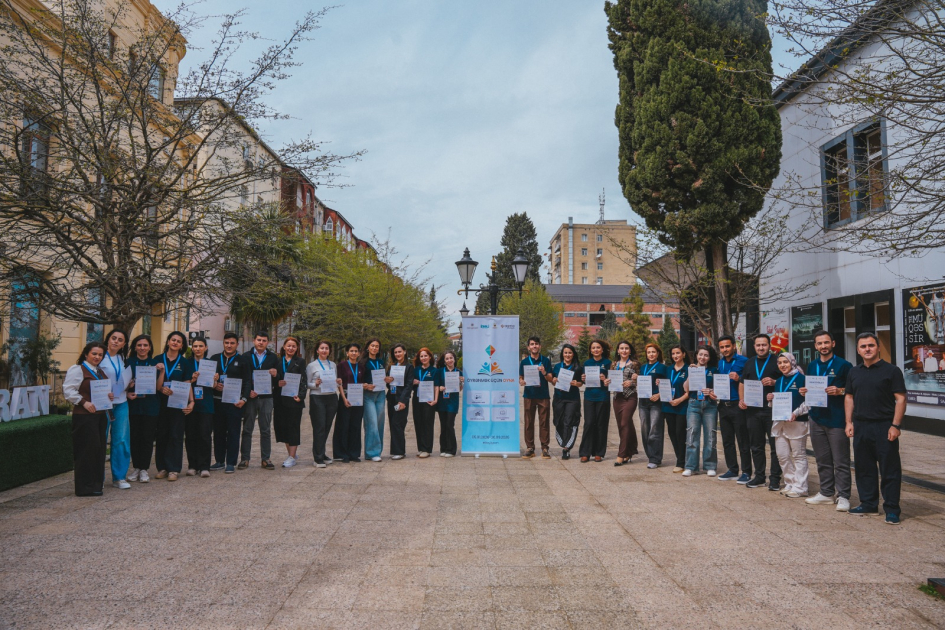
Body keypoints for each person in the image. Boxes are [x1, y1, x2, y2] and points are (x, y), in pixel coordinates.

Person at [845, 332, 908, 524]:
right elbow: (849, 397)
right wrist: (849, 422)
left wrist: (895, 425)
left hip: (884, 426)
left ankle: (892, 509)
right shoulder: (854, 372)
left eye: (871, 345)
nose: (867, 349)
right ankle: (869, 504)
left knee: (889, 469)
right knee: (864, 468)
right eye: (863, 346)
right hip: (861, 426)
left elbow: (901, 398)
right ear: (858, 350)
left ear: (878, 347)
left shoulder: (891, 371)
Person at [800, 331, 853, 511]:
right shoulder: (812, 365)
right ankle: (826, 492)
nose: (823, 346)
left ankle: (844, 496)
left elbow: (853, 391)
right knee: (822, 459)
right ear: (815, 346)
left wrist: (840, 391)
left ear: (833, 343)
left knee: (841, 461)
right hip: (816, 418)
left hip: (837, 419)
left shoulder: (844, 365)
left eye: (826, 343)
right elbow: (810, 387)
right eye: (820, 343)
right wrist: (804, 392)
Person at [62, 342, 113, 496]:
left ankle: (95, 485)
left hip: (99, 416)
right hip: (84, 417)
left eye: (100, 355)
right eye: (94, 354)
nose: (97, 357)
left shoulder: (99, 371)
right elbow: (68, 391)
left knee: (98, 450)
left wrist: (109, 395)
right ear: (86, 354)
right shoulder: (77, 370)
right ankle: (84, 487)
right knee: (85, 452)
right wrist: (84, 402)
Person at [739, 334, 783, 491]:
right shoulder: (750, 362)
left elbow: (788, 380)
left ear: (769, 346)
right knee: (756, 445)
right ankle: (759, 476)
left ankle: (775, 479)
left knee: (774, 446)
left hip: (772, 409)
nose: (761, 348)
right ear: (754, 346)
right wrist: (741, 399)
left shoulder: (777, 361)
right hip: (752, 410)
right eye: (758, 345)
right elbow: (742, 383)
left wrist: (774, 382)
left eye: (764, 345)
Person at [155, 331, 195, 481]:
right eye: (173, 340)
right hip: (160, 403)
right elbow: (154, 385)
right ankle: (162, 467)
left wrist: (191, 402)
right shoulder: (158, 360)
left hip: (178, 403)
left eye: (179, 341)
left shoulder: (184, 363)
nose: (175, 343)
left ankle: (174, 469)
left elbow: (187, 383)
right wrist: (161, 388)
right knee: (161, 435)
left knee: (176, 435)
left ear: (182, 346)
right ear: (168, 342)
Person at [768, 353, 809, 498]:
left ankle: (801, 487)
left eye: (785, 362)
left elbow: (809, 401)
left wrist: (796, 413)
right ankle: (790, 482)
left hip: (797, 422)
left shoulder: (802, 379)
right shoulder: (779, 381)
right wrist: (771, 399)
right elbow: (779, 402)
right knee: (782, 455)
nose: (782, 365)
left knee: (798, 455)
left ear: (792, 362)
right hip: (781, 423)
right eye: (779, 363)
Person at [126, 335, 164, 483]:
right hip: (134, 405)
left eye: (145, 345)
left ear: (150, 347)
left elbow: (158, 387)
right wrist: (129, 387)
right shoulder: (128, 363)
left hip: (151, 406)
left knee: (147, 438)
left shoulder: (155, 363)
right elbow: (123, 384)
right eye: (139, 345)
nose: (142, 348)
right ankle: (136, 468)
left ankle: (144, 469)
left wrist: (161, 372)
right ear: (135, 347)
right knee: (135, 438)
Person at [238, 331, 278, 470]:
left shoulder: (273, 357)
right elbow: (242, 377)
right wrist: (247, 392)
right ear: (254, 341)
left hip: (266, 397)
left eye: (264, 340)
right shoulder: (245, 357)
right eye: (259, 339)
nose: (261, 342)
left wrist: (276, 374)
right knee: (247, 428)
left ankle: (266, 458)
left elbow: (279, 378)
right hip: (250, 397)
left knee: (265, 429)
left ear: (268, 342)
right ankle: (244, 459)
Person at [98, 329, 132, 489]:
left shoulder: (123, 358)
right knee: (100, 440)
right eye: (113, 338)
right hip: (103, 404)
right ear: (108, 339)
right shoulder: (99, 357)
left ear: (124, 344)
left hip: (121, 402)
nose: (116, 341)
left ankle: (119, 477)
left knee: (121, 440)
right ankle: (98, 477)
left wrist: (128, 386)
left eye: (120, 339)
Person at [716, 335, 751, 482]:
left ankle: (747, 472)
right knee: (727, 440)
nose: (725, 349)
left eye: (727, 346)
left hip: (738, 405)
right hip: (723, 405)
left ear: (734, 346)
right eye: (722, 347)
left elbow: (751, 379)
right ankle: (732, 469)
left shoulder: (744, 361)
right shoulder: (720, 363)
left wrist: (739, 378)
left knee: (743, 440)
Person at [209, 332, 246, 474]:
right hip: (217, 401)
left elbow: (247, 381)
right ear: (223, 343)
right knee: (218, 432)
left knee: (233, 433)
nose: (229, 345)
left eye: (232, 343)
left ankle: (231, 462)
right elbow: (208, 379)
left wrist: (243, 399)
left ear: (237, 344)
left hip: (234, 403)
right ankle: (219, 461)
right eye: (226, 343)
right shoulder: (214, 359)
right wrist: (215, 383)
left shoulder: (242, 361)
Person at [683, 346, 719, 476]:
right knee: (692, 435)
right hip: (693, 404)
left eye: (706, 355)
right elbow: (686, 389)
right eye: (700, 355)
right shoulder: (691, 369)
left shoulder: (714, 370)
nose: (702, 357)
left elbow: (719, 389)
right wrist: (690, 374)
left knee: (710, 435)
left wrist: (710, 391)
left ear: (709, 358)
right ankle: (691, 466)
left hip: (710, 405)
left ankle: (710, 465)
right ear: (696, 355)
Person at [518, 336, 553, 459]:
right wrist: (521, 381)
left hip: (543, 395)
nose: (534, 346)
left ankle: (545, 447)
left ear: (540, 346)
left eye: (536, 344)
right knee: (528, 422)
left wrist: (544, 372)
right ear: (528, 347)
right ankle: (530, 448)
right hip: (529, 395)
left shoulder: (546, 361)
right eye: (532, 344)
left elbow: (550, 378)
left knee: (544, 422)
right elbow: (521, 377)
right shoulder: (524, 362)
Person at [306, 340, 340, 468]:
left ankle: (322, 453)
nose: (324, 350)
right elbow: (306, 384)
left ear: (329, 351)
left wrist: (338, 382)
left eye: (327, 348)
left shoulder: (333, 365)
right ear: (317, 350)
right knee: (319, 427)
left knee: (326, 427)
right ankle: (317, 458)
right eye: (322, 348)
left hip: (331, 397)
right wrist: (315, 384)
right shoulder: (311, 366)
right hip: (317, 398)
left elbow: (334, 383)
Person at [274, 336, 306, 468]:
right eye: (289, 346)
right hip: (280, 399)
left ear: (297, 348)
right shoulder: (277, 361)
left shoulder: (300, 361)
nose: (291, 348)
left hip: (294, 399)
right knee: (283, 427)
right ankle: (291, 453)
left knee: (293, 427)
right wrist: (277, 382)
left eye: (294, 346)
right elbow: (274, 379)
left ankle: (292, 457)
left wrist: (301, 396)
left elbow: (304, 380)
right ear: (284, 347)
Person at [186, 336, 215, 477]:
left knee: (205, 435)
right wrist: (192, 379)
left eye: (200, 346)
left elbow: (215, 387)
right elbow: (183, 382)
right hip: (190, 403)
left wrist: (215, 380)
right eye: (195, 346)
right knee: (191, 435)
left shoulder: (211, 364)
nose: (197, 349)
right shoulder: (187, 363)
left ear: (206, 348)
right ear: (192, 348)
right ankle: (192, 465)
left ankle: (204, 466)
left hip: (206, 404)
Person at [579, 340, 612, 463]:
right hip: (589, 396)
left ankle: (599, 452)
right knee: (589, 423)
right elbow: (585, 381)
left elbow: (613, 381)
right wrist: (583, 379)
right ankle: (585, 452)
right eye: (593, 348)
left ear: (602, 349)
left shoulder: (608, 363)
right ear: (590, 350)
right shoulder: (587, 363)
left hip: (603, 396)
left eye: (598, 347)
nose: (596, 350)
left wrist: (606, 379)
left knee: (601, 424)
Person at [637, 343, 669, 469]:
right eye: (649, 352)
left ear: (658, 353)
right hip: (643, 401)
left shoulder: (662, 367)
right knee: (645, 429)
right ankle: (650, 454)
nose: (651, 354)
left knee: (655, 430)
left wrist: (660, 394)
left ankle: (655, 458)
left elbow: (668, 384)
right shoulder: (643, 367)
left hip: (656, 401)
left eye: (653, 352)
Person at [551, 344, 583, 460]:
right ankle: (562, 442)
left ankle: (567, 448)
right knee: (558, 421)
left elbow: (581, 383)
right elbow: (553, 381)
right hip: (559, 398)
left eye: (570, 352)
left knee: (569, 422)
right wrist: (553, 380)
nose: (567, 355)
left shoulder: (578, 367)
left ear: (573, 354)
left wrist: (576, 383)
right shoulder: (557, 367)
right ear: (562, 354)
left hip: (572, 399)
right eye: (565, 353)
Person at [336, 343, 367, 462]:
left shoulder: (361, 367)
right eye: (351, 351)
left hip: (358, 398)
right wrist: (344, 399)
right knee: (344, 425)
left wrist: (365, 385)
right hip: (346, 397)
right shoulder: (342, 365)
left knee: (355, 425)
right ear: (347, 353)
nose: (354, 353)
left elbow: (362, 382)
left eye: (356, 351)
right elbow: (339, 384)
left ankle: (354, 453)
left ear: (359, 353)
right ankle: (343, 453)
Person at [612, 341, 640, 467]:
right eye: (621, 348)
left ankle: (621, 454)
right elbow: (611, 379)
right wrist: (607, 381)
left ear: (630, 350)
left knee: (624, 423)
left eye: (626, 348)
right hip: (617, 397)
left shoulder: (635, 364)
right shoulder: (614, 364)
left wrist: (633, 382)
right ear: (618, 351)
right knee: (623, 425)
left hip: (630, 397)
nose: (624, 350)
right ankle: (631, 450)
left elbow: (641, 380)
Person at [663, 345, 690, 473]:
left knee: (680, 433)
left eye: (678, 353)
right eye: (673, 354)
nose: (675, 356)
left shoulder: (689, 369)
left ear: (684, 354)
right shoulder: (668, 369)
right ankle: (679, 458)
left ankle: (681, 462)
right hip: (669, 406)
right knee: (672, 433)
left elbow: (692, 390)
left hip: (682, 406)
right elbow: (665, 385)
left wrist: (679, 400)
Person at [386, 344, 414, 460]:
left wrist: (403, 401)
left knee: (398, 424)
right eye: (395, 352)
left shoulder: (409, 367)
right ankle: (395, 450)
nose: (397, 354)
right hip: (391, 398)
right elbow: (389, 383)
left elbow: (409, 385)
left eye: (399, 352)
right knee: (393, 424)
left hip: (401, 400)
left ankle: (400, 451)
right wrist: (387, 381)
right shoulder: (391, 366)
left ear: (405, 352)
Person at [361, 338, 387, 462]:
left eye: (377, 346)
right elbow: (359, 379)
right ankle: (371, 453)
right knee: (371, 423)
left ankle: (377, 451)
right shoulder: (363, 362)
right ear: (368, 347)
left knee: (380, 423)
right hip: (368, 395)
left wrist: (388, 379)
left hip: (381, 394)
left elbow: (383, 377)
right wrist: (365, 384)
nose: (374, 348)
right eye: (372, 346)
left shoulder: (381, 362)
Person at [412, 347, 439, 458]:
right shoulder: (416, 370)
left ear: (430, 357)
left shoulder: (434, 371)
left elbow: (436, 386)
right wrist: (413, 382)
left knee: (427, 423)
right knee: (418, 423)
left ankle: (427, 449)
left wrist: (435, 400)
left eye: (425, 356)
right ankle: (420, 448)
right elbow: (410, 383)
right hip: (417, 399)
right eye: (421, 356)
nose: (423, 358)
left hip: (429, 400)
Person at [435, 350, 462, 457]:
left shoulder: (458, 372)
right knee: (443, 425)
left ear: (454, 359)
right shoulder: (440, 371)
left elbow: (459, 389)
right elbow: (436, 385)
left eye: (451, 358)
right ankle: (443, 448)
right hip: (442, 401)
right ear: (444, 361)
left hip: (453, 402)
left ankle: (451, 450)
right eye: (447, 358)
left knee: (450, 424)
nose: (449, 360)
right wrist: (439, 388)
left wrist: (461, 382)